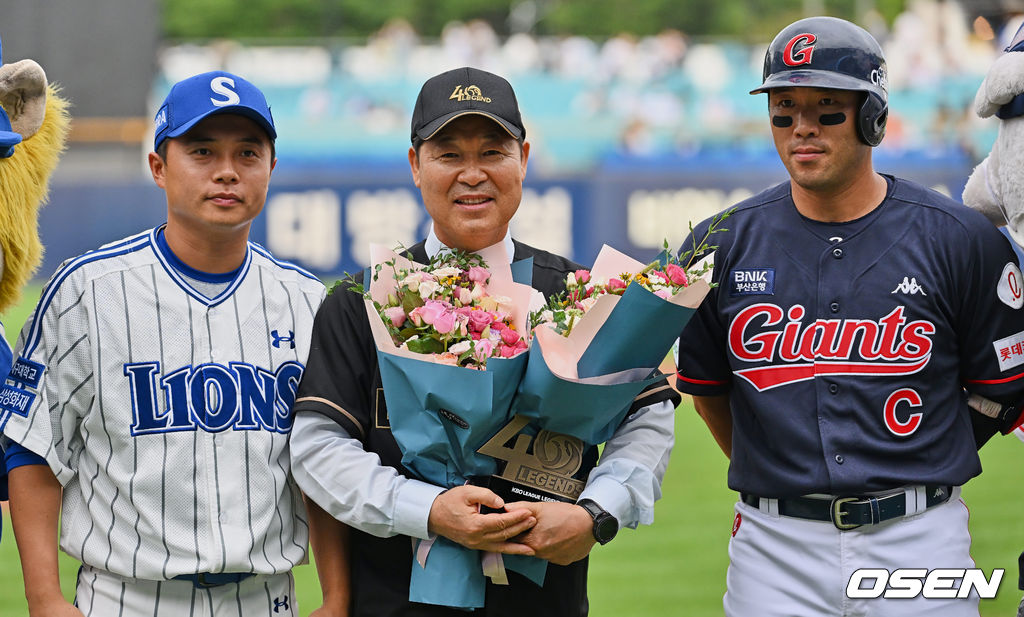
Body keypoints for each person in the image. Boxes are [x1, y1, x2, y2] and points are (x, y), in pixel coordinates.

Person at [289, 66, 680, 616]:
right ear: (414, 165)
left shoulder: (579, 294)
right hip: (393, 601)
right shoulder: (361, 299)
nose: (472, 174)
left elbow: (647, 420)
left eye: (492, 152)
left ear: (523, 158)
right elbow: (318, 448)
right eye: (449, 154)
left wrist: (597, 514)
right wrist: (427, 510)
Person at [674, 16, 1024, 617]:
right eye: (784, 110)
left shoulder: (959, 237)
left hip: (920, 537)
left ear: (873, 117)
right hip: (774, 544)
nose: (801, 128)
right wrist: (785, 468)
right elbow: (709, 392)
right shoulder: (718, 243)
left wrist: (918, 460)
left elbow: (1001, 389)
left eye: (827, 108)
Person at [0, 71, 346, 616]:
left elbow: (326, 464)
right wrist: (43, 597)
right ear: (158, 167)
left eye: (248, 153)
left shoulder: (307, 302)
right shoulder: (86, 292)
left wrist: (337, 599)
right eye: (202, 151)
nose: (227, 171)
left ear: (271, 169)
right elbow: (34, 449)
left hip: (266, 598)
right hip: (127, 598)